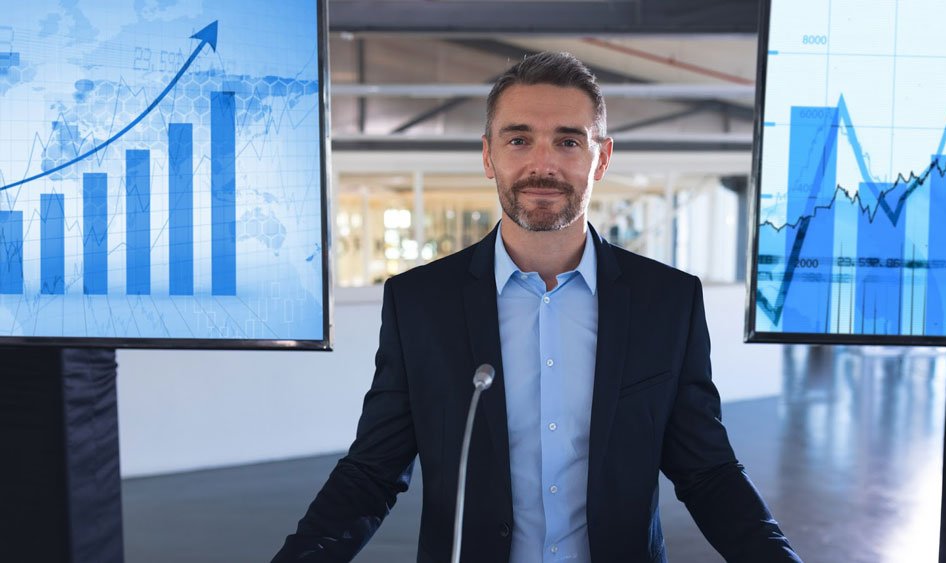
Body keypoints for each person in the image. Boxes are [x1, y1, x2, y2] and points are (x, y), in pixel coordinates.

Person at [272, 51, 801, 563]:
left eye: (568, 141)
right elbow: (372, 472)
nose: (542, 164)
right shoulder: (420, 303)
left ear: (602, 159)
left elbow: (706, 472)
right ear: (488, 156)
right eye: (519, 139)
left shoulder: (667, 302)